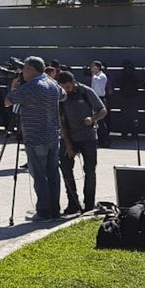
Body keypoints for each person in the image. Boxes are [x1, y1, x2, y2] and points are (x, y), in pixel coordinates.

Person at [5, 56, 66, 222]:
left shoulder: (31, 87)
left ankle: (43, 212)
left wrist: (15, 87)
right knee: (53, 174)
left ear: (31, 69)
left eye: (24, 69)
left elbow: (7, 102)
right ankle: (55, 210)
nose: (22, 72)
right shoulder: (52, 83)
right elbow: (64, 95)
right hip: (53, 136)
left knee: (39, 175)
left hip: (36, 136)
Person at [56, 70, 106, 215]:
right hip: (69, 137)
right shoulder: (61, 97)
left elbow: (103, 110)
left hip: (88, 137)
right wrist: (69, 145)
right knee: (65, 170)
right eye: (63, 88)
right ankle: (73, 203)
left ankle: (89, 204)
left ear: (73, 82)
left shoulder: (86, 92)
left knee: (89, 171)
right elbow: (62, 121)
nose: (67, 90)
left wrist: (93, 118)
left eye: (69, 87)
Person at [89, 61, 113, 146]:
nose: (91, 68)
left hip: (100, 98)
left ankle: (104, 139)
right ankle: (100, 139)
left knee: (100, 120)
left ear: (97, 67)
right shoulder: (95, 76)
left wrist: (93, 75)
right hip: (95, 98)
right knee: (97, 120)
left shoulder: (101, 76)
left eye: (93, 67)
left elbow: (99, 88)